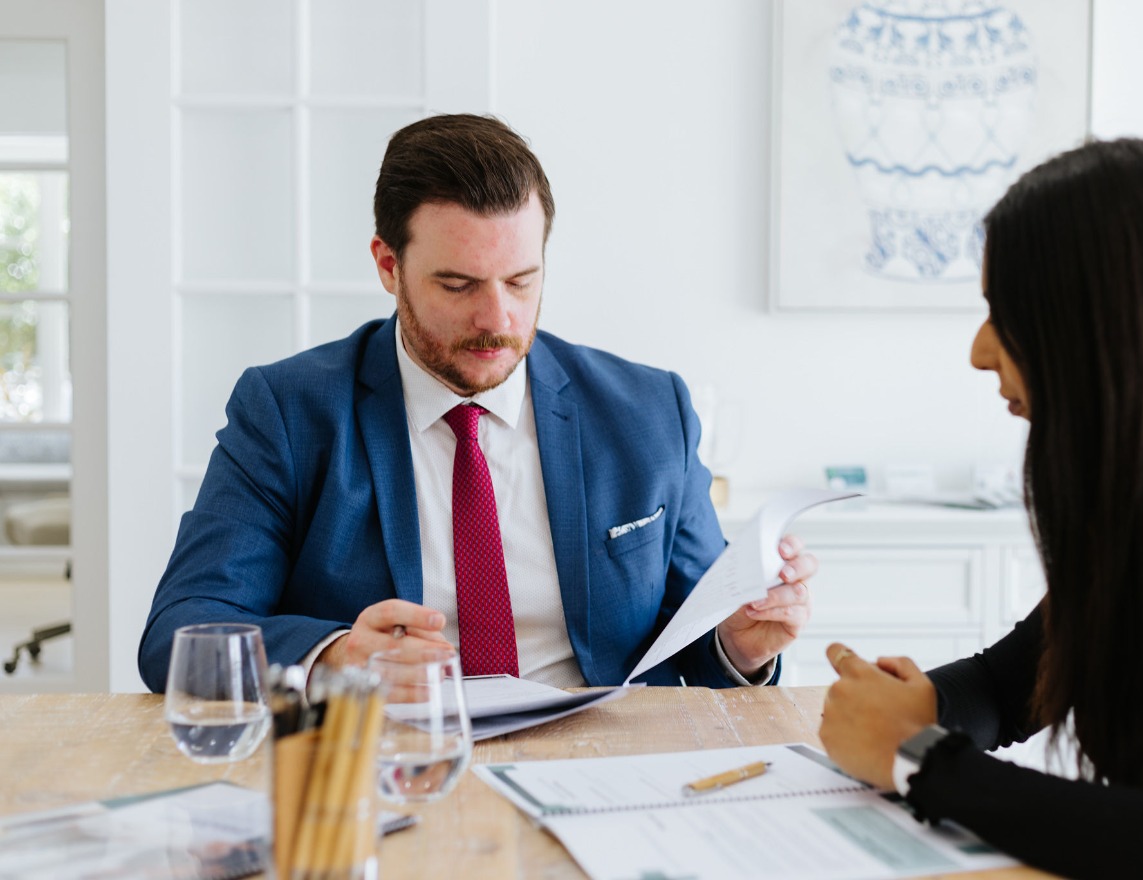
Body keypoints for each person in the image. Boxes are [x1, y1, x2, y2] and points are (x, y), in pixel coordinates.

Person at [138, 114, 816, 693]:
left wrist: (742, 644)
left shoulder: (646, 410)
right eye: (458, 285)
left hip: (600, 765)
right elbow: (181, 636)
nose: (497, 318)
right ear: (387, 265)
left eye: (521, 280)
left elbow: (695, 640)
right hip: (388, 760)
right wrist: (337, 657)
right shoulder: (289, 410)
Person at [819, 138, 1143, 879]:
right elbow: (1007, 684)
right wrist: (925, 706)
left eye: (1003, 313)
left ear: (1102, 325)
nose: (978, 353)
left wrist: (919, 759)